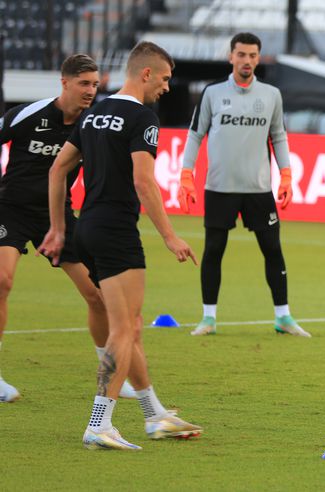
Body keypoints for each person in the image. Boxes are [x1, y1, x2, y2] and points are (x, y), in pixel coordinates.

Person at [39, 41, 202, 450]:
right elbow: (143, 181)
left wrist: (60, 229)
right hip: (116, 231)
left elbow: (58, 168)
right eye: (164, 78)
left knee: (129, 326)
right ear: (145, 74)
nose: (167, 86)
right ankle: (100, 422)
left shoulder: (96, 113)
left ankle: (154, 415)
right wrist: (169, 235)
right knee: (123, 331)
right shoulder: (142, 117)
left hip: (87, 228)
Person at [0, 54, 136, 402]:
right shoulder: (28, 114)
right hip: (10, 209)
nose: (91, 91)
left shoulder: (93, 124)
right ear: (65, 83)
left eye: (95, 84)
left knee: (97, 295)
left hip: (57, 216)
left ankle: (110, 369)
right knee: (2, 280)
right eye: (84, 84)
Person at [178, 32, 309, 337]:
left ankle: (283, 317)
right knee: (214, 250)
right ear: (231, 56)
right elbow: (195, 134)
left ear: (258, 58)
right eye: (241, 54)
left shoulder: (271, 95)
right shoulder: (212, 93)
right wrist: (186, 175)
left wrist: (286, 174)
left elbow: (279, 137)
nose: (247, 61)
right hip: (219, 187)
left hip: (258, 188)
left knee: (273, 250)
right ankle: (208, 318)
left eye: (252, 55)